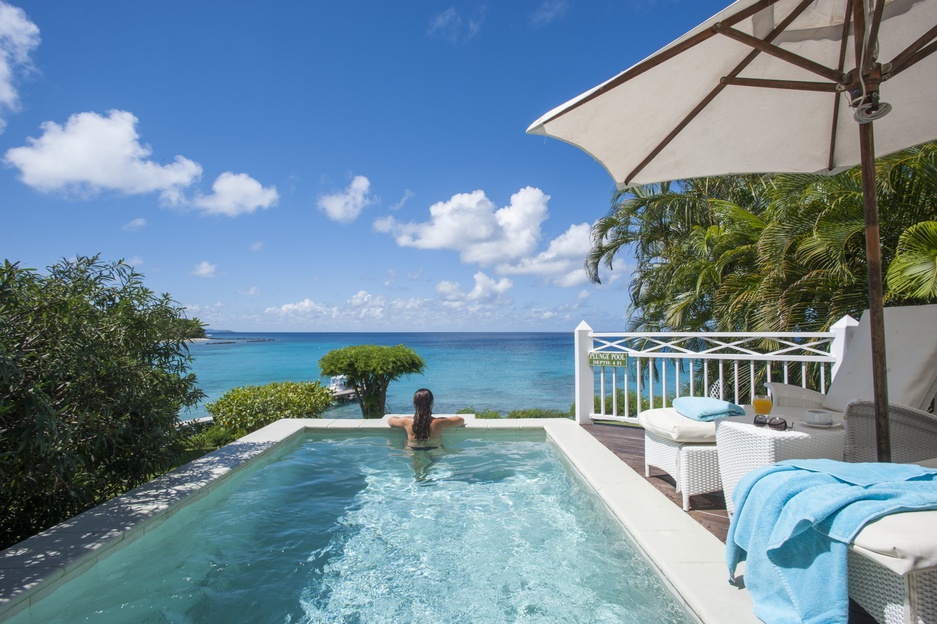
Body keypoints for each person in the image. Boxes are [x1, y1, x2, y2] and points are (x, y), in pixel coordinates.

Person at [387, 388, 464, 450]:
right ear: (431, 403)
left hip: (412, 449)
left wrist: (404, 418)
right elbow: (460, 420)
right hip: (434, 449)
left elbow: (390, 421)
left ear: (415, 403)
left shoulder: (406, 421)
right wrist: (444, 419)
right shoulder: (439, 422)